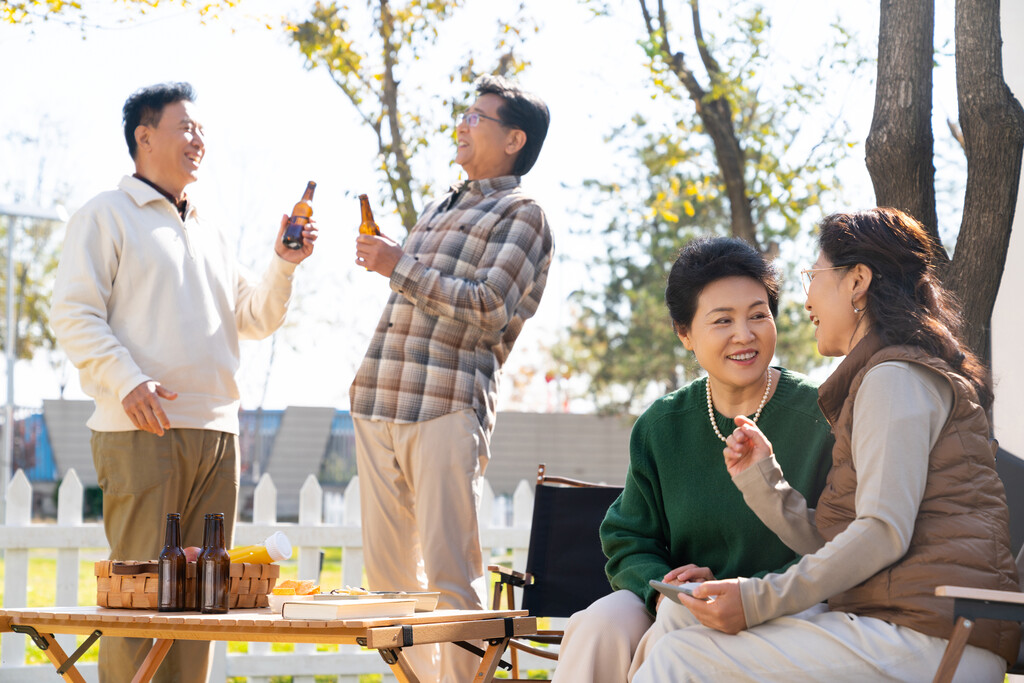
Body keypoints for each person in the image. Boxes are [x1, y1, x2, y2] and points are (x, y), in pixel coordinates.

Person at [632, 208, 1021, 682]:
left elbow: (881, 532)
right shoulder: (882, 377)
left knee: (681, 658)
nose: (805, 297)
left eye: (813, 276)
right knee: (682, 615)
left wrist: (757, 599)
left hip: (932, 637)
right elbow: (846, 542)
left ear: (857, 281)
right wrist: (766, 483)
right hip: (894, 619)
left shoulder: (894, 378)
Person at [50, 82, 317, 683]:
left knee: (205, 604)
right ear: (144, 136)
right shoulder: (104, 215)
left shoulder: (210, 228)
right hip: (142, 428)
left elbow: (255, 317)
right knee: (142, 600)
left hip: (218, 432)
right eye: (185, 127)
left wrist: (282, 264)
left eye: (201, 129)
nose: (199, 139)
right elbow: (73, 314)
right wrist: (127, 381)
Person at [552, 236, 834, 683]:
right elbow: (627, 537)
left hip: (786, 609)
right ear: (685, 334)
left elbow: (838, 543)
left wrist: (734, 593)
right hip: (681, 603)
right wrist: (663, 587)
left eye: (758, 315)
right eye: (722, 320)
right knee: (599, 623)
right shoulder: (661, 425)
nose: (745, 334)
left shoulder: (820, 415)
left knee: (675, 630)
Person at [349, 74, 552, 682]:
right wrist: (398, 264)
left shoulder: (523, 214)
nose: (462, 125)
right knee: (387, 586)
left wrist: (398, 264)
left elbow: (490, 305)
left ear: (514, 138)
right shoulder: (441, 203)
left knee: (449, 579)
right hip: (379, 396)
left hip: (445, 403)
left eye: (477, 117)